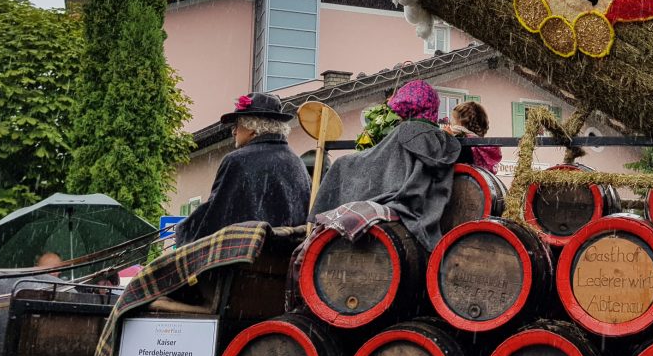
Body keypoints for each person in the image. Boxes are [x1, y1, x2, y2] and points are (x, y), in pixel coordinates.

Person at [311, 79, 460, 251]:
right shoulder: (439, 138)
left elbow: (374, 161)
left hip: (401, 198)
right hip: (428, 207)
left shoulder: (407, 131)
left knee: (341, 164)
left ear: (408, 105)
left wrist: (343, 164)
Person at [175, 93, 310, 245]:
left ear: (253, 128)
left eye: (237, 125)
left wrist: (184, 230)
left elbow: (215, 213)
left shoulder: (237, 160)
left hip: (248, 254)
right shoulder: (297, 162)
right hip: (286, 252)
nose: (233, 131)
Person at [446, 100, 502, 174]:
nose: (451, 123)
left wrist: (448, 139)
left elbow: (457, 161)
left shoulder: (462, 140)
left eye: (453, 119)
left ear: (461, 122)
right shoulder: (481, 146)